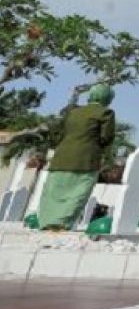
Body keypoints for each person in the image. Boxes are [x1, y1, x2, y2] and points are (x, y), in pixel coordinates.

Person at [38, 84, 117, 230]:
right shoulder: (105, 113)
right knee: (78, 191)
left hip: (61, 156)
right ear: (107, 99)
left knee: (54, 191)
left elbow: (60, 132)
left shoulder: (73, 112)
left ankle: (46, 221)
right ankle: (61, 224)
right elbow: (106, 137)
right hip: (86, 158)